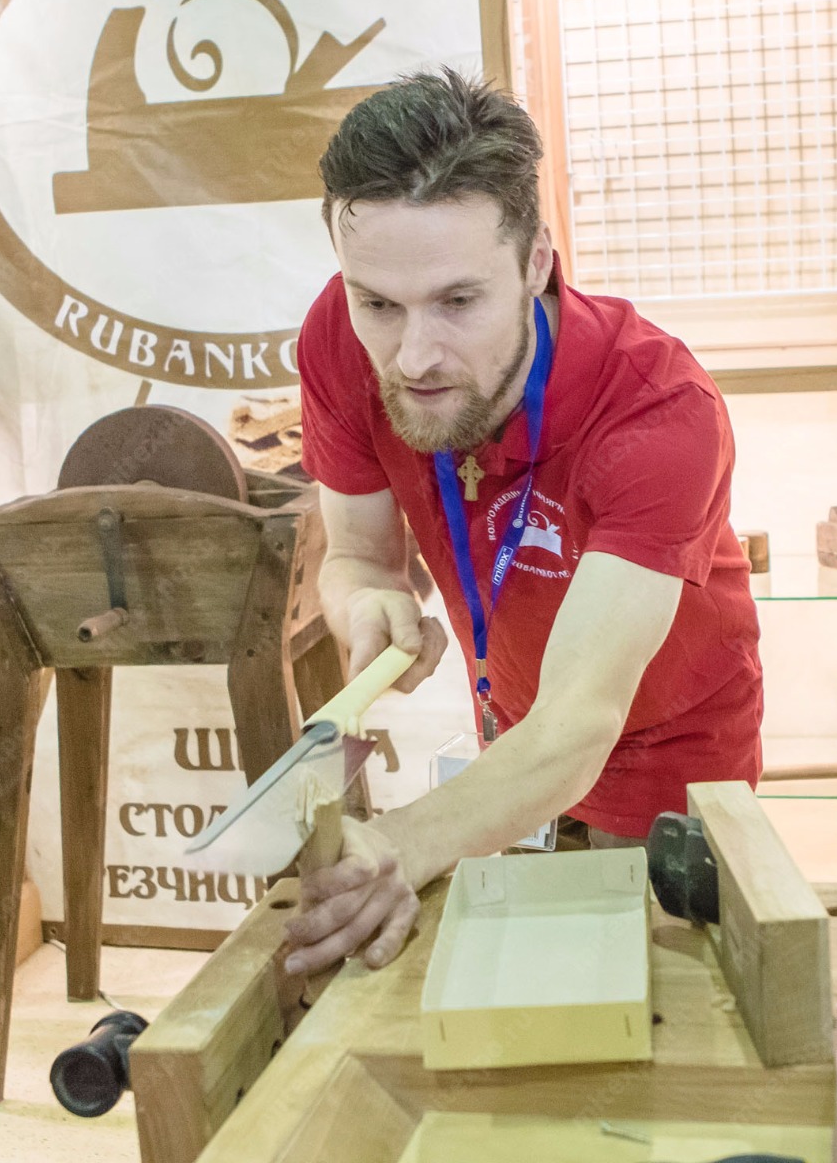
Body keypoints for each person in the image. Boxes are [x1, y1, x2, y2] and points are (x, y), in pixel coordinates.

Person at [282, 69, 762, 975]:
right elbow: (355, 557)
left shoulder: (657, 411)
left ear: (536, 260)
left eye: (458, 302)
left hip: (662, 740)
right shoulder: (337, 342)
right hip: (509, 727)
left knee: (655, 997)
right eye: (377, 303)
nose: (412, 356)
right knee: (529, 990)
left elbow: (580, 719)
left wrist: (404, 844)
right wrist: (366, 602)